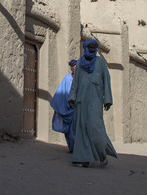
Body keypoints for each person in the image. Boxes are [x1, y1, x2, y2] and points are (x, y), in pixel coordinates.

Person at [68, 39, 117, 167]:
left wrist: (107, 99)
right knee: (81, 129)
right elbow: (75, 82)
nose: (91, 49)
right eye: (89, 47)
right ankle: (82, 159)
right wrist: (72, 97)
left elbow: (106, 80)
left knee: (96, 129)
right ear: (85, 48)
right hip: (81, 101)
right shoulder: (80, 64)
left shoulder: (100, 63)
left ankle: (102, 155)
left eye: (93, 47)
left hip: (95, 101)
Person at [50, 59, 77, 153]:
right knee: (68, 130)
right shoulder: (67, 78)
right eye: (75, 67)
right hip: (67, 106)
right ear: (72, 68)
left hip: (76, 108)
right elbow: (62, 92)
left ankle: (75, 148)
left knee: (74, 129)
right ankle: (71, 147)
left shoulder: (80, 79)